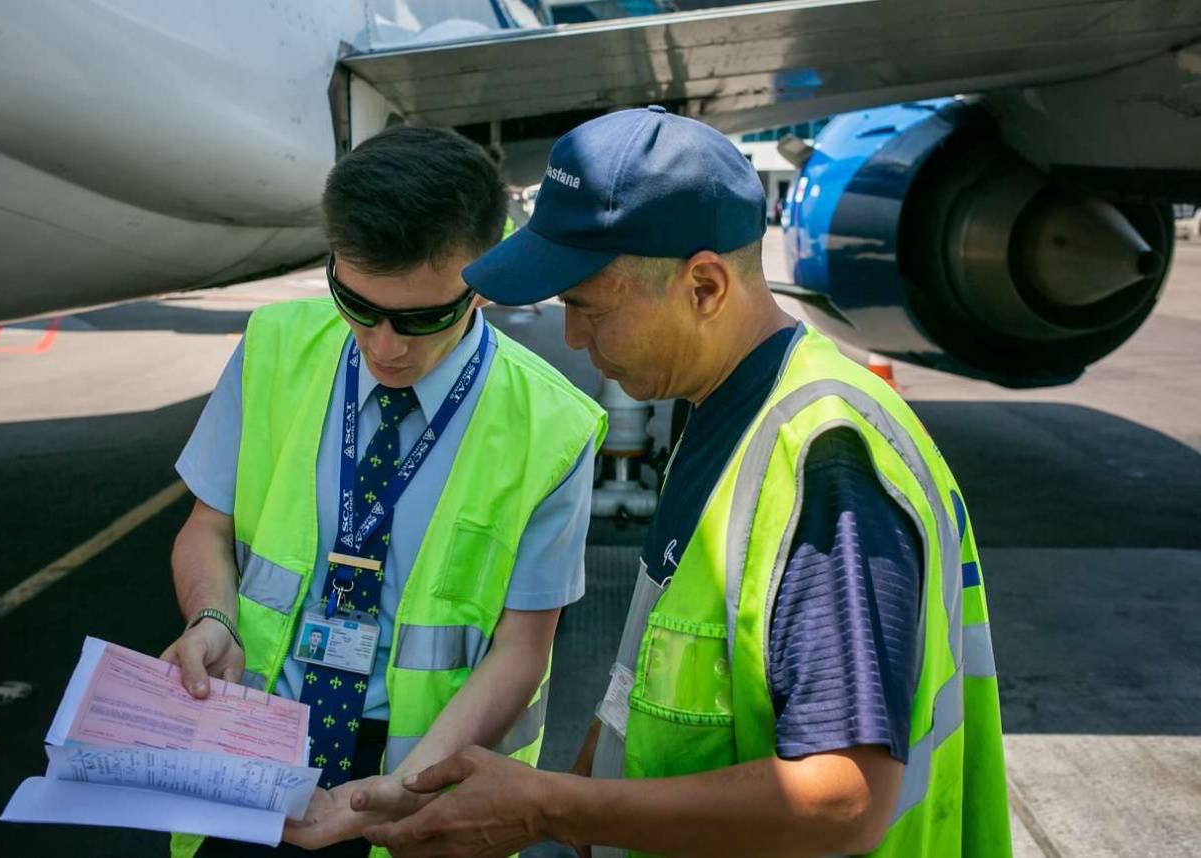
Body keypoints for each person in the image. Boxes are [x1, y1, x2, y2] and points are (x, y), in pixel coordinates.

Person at [349, 107, 1012, 857]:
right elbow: (656, 687)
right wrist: (569, 824)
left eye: (585, 307)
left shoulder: (827, 462)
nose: (571, 336)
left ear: (703, 286)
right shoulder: (723, 409)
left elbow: (843, 799)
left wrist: (551, 810)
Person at [161, 126, 606, 857]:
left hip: (421, 777)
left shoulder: (552, 426)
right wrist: (213, 617)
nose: (385, 347)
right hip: (249, 741)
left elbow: (522, 649)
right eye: (358, 305)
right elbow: (207, 525)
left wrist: (406, 788)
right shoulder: (274, 345)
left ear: (488, 279)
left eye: (425, 317)